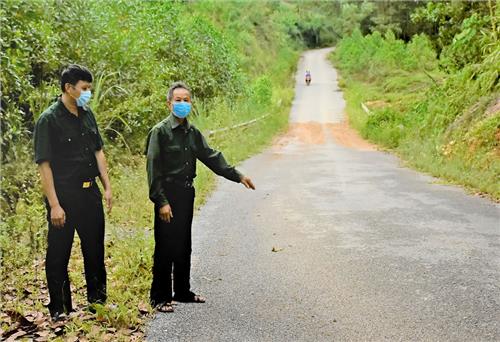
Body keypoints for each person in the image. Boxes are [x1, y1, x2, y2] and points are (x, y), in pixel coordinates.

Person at [146, 82, 255, 313]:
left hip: (186, 193)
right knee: (165, 245)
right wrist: (161, 201)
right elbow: (153, 170)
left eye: (186, 100)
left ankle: (182, 292)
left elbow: (211, 157)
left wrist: (238, 175)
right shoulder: (160, 132)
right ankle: (160, 297)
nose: (183, 104)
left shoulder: (192, 133)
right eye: (178, 100)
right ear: (169, 103)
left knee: (183, 244)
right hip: (168, 193)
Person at [33, 64, 112, 321]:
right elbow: (44, 165)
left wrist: (107, 186)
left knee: (94, 250)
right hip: (64, 197)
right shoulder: (48, 120)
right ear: (69, 88)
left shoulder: (87, 114)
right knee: (59, 253)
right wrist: (54, 204)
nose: (88, 93)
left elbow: (98, 151)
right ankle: (60, 309)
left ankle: (97, 302)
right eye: (85, 88)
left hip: (90, 195)